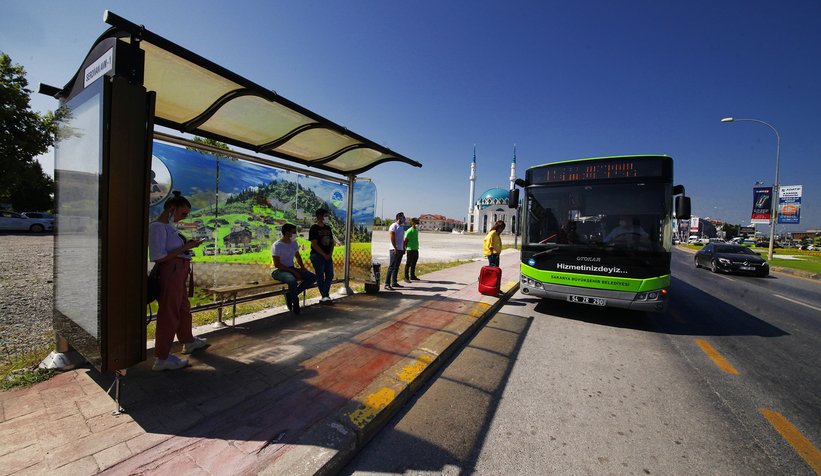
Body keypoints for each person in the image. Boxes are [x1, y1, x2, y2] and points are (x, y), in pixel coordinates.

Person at [148, 191, 208, 371]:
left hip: (178, 273)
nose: (185, 217)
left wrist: (187, 246)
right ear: (172, 208)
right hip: (170, 274)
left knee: (182, 308)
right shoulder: (157, 227)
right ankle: (162, 357)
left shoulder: (169, 227)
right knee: (169, 313)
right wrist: (186, 247)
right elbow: (158, 257)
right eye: (183, 213)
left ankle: (188, 341)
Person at [271, 223, 317, 314]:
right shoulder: (277, 245)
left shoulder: (294, 243)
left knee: (313, 277)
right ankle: (295, 303)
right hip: (278, 271)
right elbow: (277, 264)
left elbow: (298, 257)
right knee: (292, 280)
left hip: (291, 268)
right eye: (293, 231)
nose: (295, 233)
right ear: (287, 233)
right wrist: (292, 271)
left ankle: (291, 295)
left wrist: (303, 268)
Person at [309, 208, 335, 305]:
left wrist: (330, 254)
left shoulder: (328, 228)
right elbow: (314, 244)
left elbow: (332, 242)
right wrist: (324, 254)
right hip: (317, 256)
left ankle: (325, 296)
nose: (327, 217)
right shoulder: (314, 228)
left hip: (328, 256)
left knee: (330, 275)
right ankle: (325, 296)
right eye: (325, 215)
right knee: (320, 276)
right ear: (320, 216)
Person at [384, 212, 406, 290]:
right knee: (391, 266)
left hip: (400, 249)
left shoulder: (401, 227)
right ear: (398, 218)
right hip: (394, 249)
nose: (404, 219)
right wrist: (395, 248)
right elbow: (392, 237)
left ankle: (394, 282)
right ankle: (387, 284)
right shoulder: (393, 226)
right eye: (402, 217)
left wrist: (403, 247)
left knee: (396, 267)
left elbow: (402, 239)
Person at [403, 217, 421, 282]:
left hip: (415, 249)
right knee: (408, 264)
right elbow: (405, 241)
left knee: (414, 263)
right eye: (416, 223)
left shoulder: (416, 231)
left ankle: (412, 276)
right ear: (412, 223)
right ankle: (406, 277)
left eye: (418, 223)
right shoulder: (409, 231)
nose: (417, 224)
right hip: (410, 249)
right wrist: (404, 248)